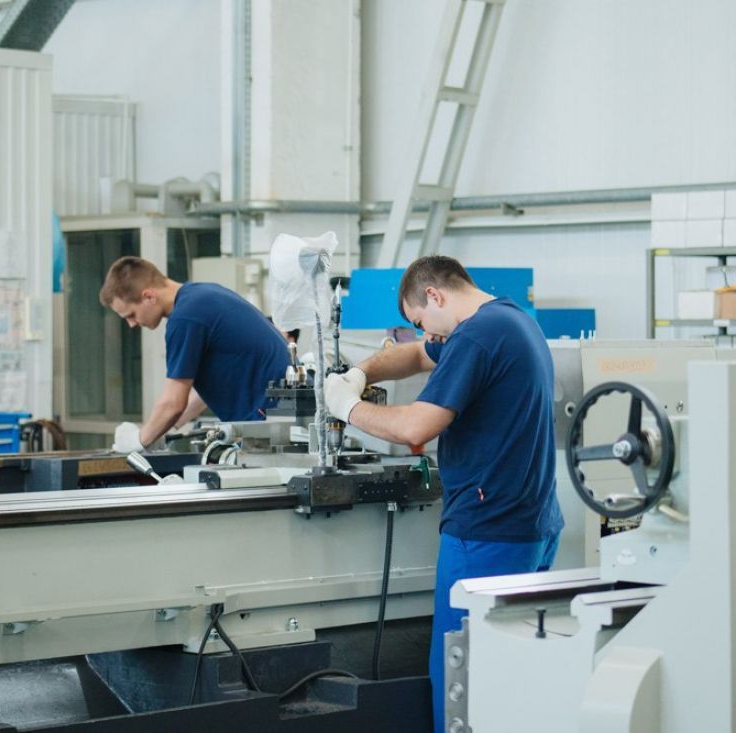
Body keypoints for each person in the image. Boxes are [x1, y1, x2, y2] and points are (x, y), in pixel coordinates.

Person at [323, 255, 564, 733]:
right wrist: (361, 374)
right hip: (534, 523)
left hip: (487, 531)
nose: (425, 333)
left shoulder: (476, 335)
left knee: (461, 680)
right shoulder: (512, 320)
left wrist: (346, 407)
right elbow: (416, 355)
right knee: (509, 680)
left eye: (420, 320)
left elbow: (416, 425)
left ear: (434, 295)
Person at [99, 256, 290, 452]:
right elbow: (203, 394)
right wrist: (159, 431)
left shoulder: (185, 318)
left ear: (149, 296)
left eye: (131, 315)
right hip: (285, 419)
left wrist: (138, 441)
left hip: (272, 428)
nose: (131, 324)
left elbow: (173, 404)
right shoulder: (203, 294)